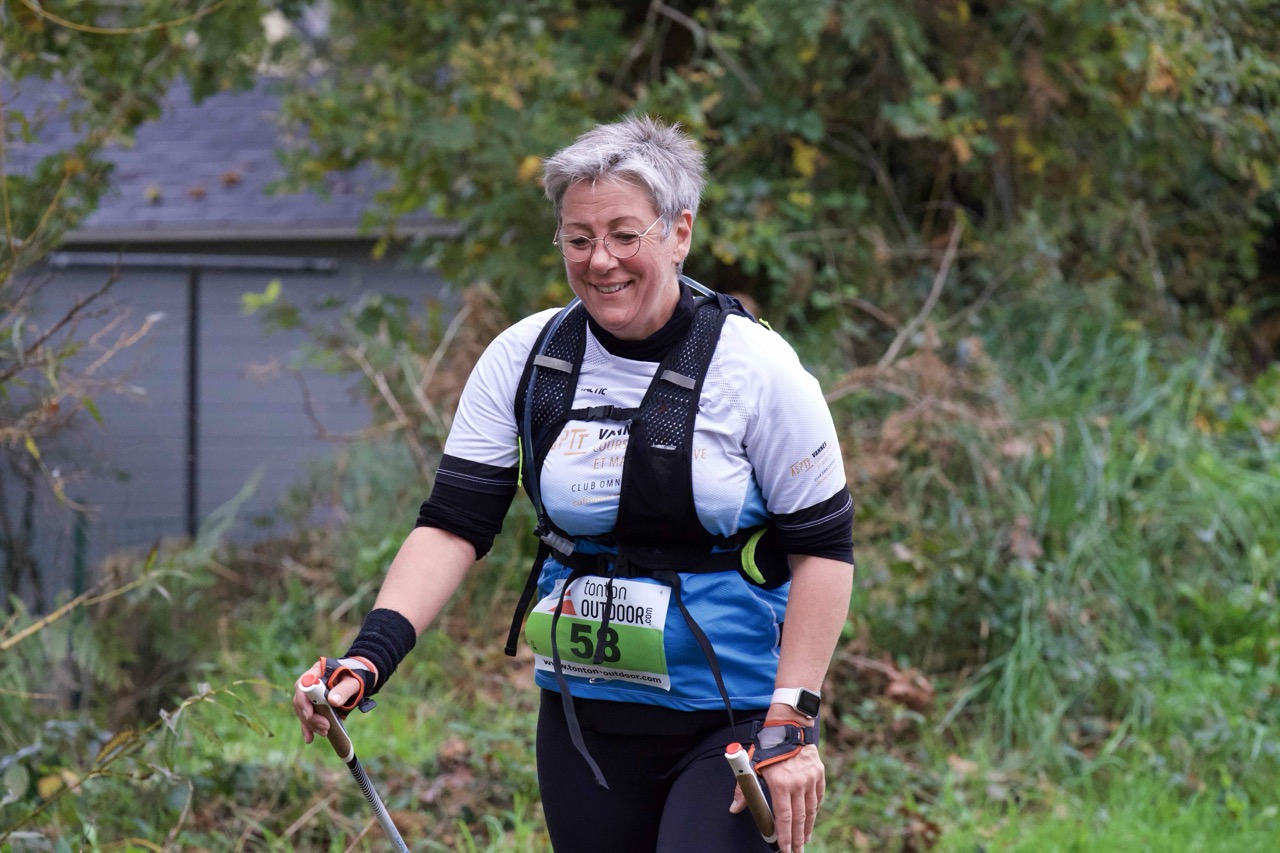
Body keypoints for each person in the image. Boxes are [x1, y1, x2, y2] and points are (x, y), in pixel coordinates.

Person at [293, 115, 855, 853]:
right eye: (578, 238)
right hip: (583, 718)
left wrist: (793, 716)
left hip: (735, 719)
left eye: (624, 235)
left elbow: (824, 549)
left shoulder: (756, 368)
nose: (600, 260)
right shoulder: (525, 357)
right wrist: (370, 656)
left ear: (679, 233)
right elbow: (454, 524)